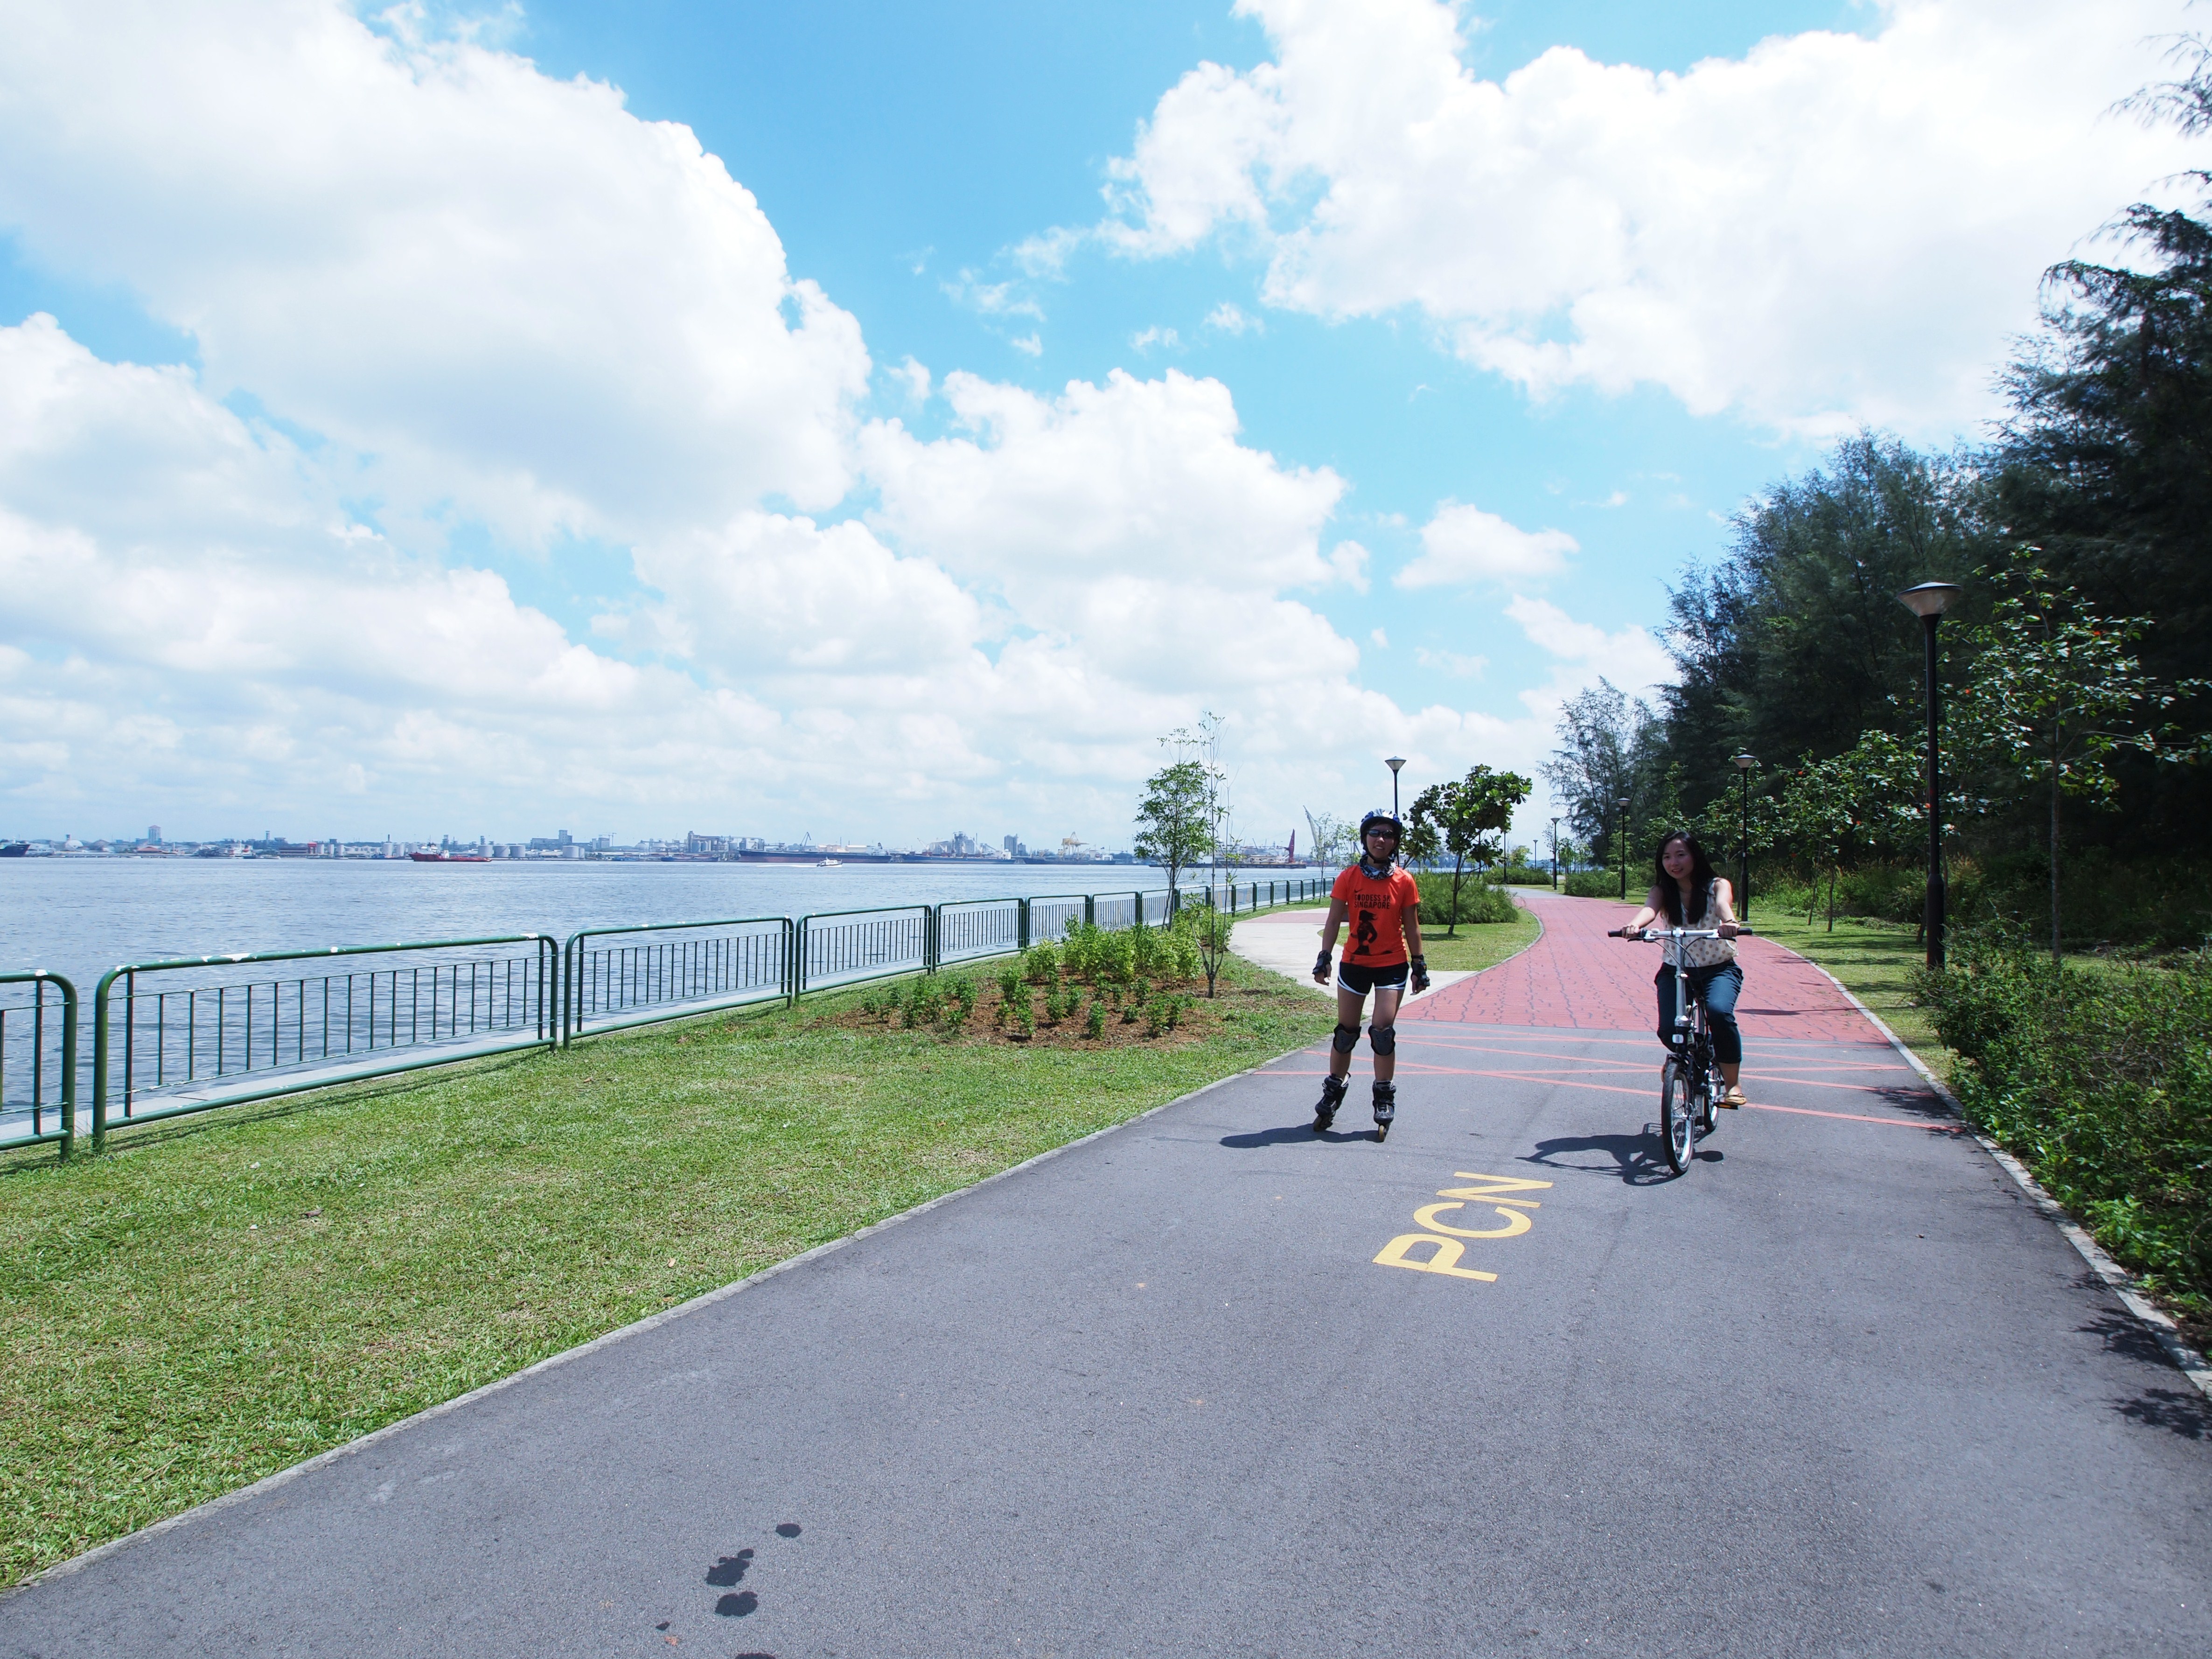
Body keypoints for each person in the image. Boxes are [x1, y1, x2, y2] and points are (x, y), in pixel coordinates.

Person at [1310, 809, 1430, 1138]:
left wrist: (1418, 964)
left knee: (1382, 1031)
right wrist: (1324, 957)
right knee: (1346, 1032)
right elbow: (1334, 921)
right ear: (1365, 838)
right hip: (1355, 964)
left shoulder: (1403, 880)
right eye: (1375, 833)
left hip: (1391, 963)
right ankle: (1334, 1089)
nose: (1381, 839)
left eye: (1388, 835)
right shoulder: (1348, 877)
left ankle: (1383, 1095)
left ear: (1395, 842)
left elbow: (1412, 926)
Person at [1611, 830, 1747, 1107]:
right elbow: (1649, 909)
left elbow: (1724, 905)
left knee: (1719, 1014)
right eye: (1667, 857)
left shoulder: (1717, 885)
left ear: (1695, 856)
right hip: (1676, 969)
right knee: (1668, 1030)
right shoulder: (1662, 891)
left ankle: (1733, 1086)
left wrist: (1730, 922)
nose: (1674, 862)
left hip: (1718, 969)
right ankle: (1684, 1057)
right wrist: (1635, 926)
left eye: (1681, 855)